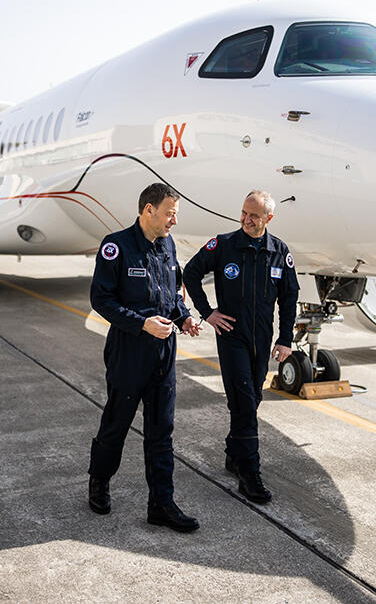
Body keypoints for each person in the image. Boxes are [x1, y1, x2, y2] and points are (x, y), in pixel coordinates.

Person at [87, 183, 202, 532]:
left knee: (161, 430)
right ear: (148, 210)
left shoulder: (168, 245)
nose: (174, 221)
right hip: (129, 350)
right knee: (117, 424)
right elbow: (101, 300)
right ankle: (99, 482)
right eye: (170, 214)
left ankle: (161, 504)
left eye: (175, 215)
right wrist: (142, 324)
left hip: (163, 351)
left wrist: (183, 316)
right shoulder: (116, 246)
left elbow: (172, 292)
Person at [182, 190, 299, 504]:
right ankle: (249, 473)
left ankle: (234, 454)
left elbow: (289, 297)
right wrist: (207, 312)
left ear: (268, 218)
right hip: (231, 335)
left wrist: (285, 338)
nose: (247, 220)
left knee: (252, 398)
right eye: (244, 213)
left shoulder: (279, 251)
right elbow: (191, 272)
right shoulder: (224, 245)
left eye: (254, 216)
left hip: (262, 338)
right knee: (245, 402)